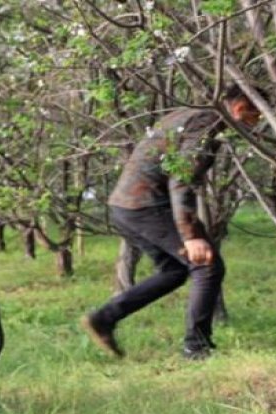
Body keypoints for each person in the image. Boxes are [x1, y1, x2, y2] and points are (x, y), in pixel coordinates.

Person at [83, 85, 263, 360]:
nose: (256, 125)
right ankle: (197, 348)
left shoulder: (191, 113)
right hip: (146, 206)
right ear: (240, 109)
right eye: (256, 117)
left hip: (127, 206)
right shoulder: (205, 124)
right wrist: (191, 235)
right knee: (206, 265)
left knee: (175, 271)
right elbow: (181, 181)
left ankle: (104, 318)